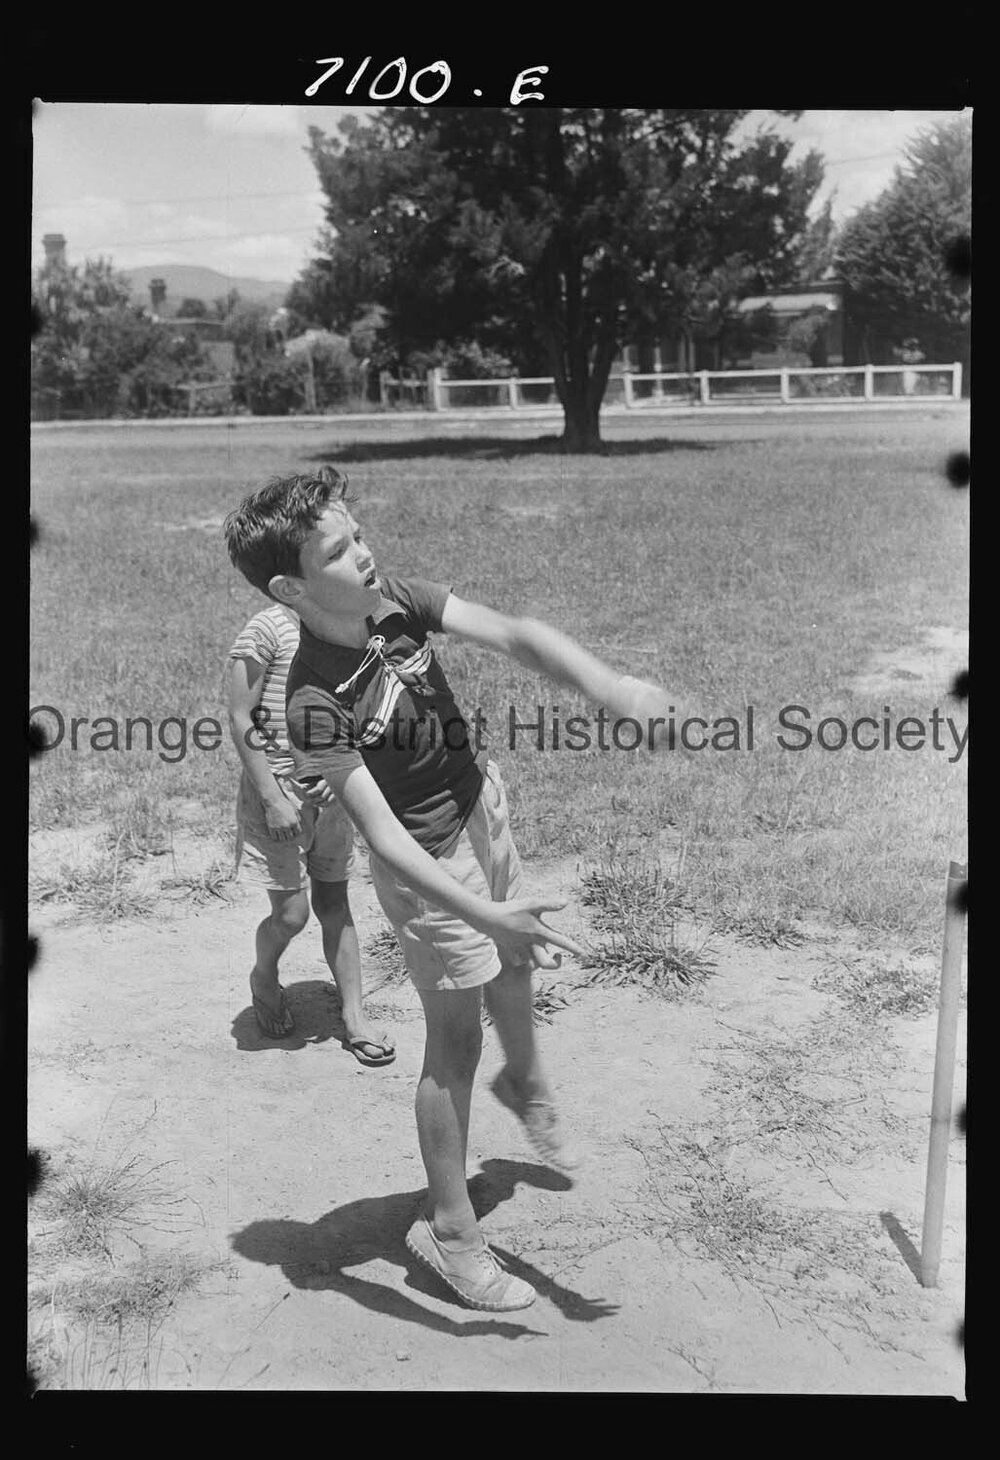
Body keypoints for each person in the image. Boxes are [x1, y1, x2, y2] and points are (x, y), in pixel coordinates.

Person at [223, 467, 677, 1312]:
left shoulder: (395, 601)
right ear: (291, 588)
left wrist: (608, 687)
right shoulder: (312, 699)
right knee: (456, 1039)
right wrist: (485, 910)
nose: (365, 553)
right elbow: (384, 836)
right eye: (339, 550)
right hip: (429, 870)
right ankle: (450, 1230)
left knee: (513, 966)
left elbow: (514, 633)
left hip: (479, 809)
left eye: (360, 535)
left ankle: (524, 1078)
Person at [225, 597, 395, 1066]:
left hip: (335, 788)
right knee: (292, 914)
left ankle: (355, 1016)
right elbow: (241, 716)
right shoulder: (268, 629)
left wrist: (344, 770)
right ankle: (264, 976)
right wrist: (272, 798)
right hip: (279, 792)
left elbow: (365, 708)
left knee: (335, 904)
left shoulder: (350, 627)